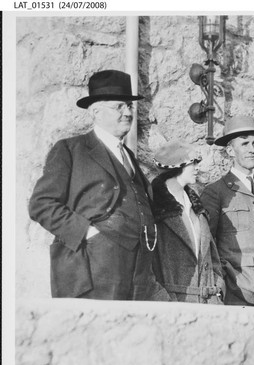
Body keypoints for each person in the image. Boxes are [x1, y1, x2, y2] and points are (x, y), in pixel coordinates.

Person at [29, 69, 169, 301]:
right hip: (92, 268)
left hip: (138, 274)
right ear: (96, 111)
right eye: (119, 107)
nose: (127, 113)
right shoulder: (70, 150)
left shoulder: (129, 158)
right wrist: (89, 233)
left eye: (129, 106)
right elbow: (41, 204)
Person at [201, 115, 254, 308]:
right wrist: (218, 286)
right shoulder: (216, 192)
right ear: (230, 150)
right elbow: (207, 245)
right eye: (245, 144)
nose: (252, 149)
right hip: (234, 291)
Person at [150, 139, 225, 304]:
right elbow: (147, 265)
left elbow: (212, 256)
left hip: (208, 305)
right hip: (174, 305)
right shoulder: (155, 207)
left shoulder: (196, 206)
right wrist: (163, 301)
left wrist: (218, 287)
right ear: (178, 166)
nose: (197, 168)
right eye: (193, 163)